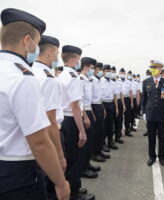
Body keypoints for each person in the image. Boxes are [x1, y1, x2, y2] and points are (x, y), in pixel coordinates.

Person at [0, 8, 70, 200]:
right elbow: (39, 142)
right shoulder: (22, 77)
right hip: (17, 172)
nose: (37, 49)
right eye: (37, 43)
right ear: (26, 41)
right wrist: (60, 182)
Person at [31, 35, 68, 199]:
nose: (58, 57)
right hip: (49, 136)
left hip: (32, 137)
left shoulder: (29, 71)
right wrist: (59, 156)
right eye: (57, 53)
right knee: (52, 181)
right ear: (51, 52)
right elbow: (51, 120)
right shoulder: (48, 78)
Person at [58, 45, 95, 200]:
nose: (79, 62)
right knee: (75, 158)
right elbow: (75, 106)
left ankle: (73, 188)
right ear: (73, 59)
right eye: (78, 59)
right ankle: (73, 193)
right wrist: (81, 131)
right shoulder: (73, 77)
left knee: (69, 156)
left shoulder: (62, 75)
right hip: (72, 120)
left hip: (64, 120)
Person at [142, 60, 164, 166]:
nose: (153, 70)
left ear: (160, 69)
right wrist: (144, 112)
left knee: (161, 138)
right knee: (151, 138)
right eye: (152, 68)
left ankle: (162, 157)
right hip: (150, 115)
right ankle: (152, 156)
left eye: (155, 68)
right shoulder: (146, 82)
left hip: (162, 115)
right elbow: (144, 99)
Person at [79, 57, 100, 179]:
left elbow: (88, 101)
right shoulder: (80, 79)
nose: (93, 70)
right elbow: (79, 101)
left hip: (88, 110)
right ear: (86, 67)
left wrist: (91, 113)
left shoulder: (87, 80)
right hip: (84, 113)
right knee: (85, 143)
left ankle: (87, 164)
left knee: (90, 141)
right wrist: (86, 117)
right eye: (92, 67)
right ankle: (83, 168)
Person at [90, 62, 110, 162]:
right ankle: (95, 153)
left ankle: (99, 150)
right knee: (96, 131)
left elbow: (99, 97)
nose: (100, 71)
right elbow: (88, 99)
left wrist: (103, 108)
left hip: (99, 106)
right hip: (93, 107)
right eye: (98, 69)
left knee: (101, 131)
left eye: (101, 70)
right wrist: (92, 112)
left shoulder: (97, 81)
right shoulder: (91, 80)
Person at [100, 64, 119, 150]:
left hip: (111, 104)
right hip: (103, 104)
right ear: (103, 72)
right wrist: (102, 108)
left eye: (109, 71)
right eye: (106, 71)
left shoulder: (113, 83)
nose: (108, 73)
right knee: (103, 126)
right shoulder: (100, 81)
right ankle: (103, 144)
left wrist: (117, 108)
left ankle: (110, 142)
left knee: (110, 124)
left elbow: (115, 96)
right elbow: (99, 97)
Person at [111, 66, 126, 144]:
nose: (113, 73)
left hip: (119, 101)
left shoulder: (118, 82)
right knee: (110, 122)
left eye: (114, 72)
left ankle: (118, 136)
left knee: (119, 120)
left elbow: (121, 94)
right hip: (111, 102)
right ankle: (110, 140)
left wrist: (123, 105)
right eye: (112, 72)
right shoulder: (107, 82)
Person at [120, 68, 134, 137]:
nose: (122, 74)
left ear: (125, 74)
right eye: (121, 73)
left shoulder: (128, 82)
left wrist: (131, 102)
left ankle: (127, 130)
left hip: (127, 99)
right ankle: (119, 132)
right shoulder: (117, 81)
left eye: (123, 73)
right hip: (119, 100)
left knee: (127, 116)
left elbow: (131, 93)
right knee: (119, 117)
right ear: (119, 73)